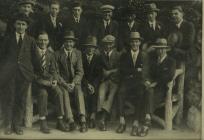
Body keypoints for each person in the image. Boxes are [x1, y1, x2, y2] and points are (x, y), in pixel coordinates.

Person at [1, 13, 36, 135]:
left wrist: (31, 74)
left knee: (20, 100)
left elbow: (35, 59)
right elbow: (2, 57)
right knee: (9, 99)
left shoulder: (31, 40)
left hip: (24, 75)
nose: (20, 26)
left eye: (23, 24)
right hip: (9, 74)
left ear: (26, 26)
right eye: (18, 24)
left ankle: (17, 124)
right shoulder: (7, 39)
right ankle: (8, 125)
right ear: (15, 25)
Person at [32, 31, 70, 133]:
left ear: (48, 41)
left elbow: (53, 70)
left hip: (49, 82)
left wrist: (54, 80)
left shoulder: (51, 54)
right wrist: (43, 82)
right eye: (40, 40)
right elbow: (32, 73)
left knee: (59, 92)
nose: (43, 42)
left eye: (45, 40)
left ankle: (60, 120)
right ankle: (43, 121)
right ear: (37, 40)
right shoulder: (32, 53)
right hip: (37, 84)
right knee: (43, 93)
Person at [55, 30, 87, 133]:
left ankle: (82, 119)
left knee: (79, 90)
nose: (69, 44)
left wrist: (73, 83)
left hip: (74, 83)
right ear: (64, 42)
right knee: (64, 92)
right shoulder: (57, 54)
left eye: (71, 42)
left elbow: (80, 71)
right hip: (63, 83)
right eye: (67, 41)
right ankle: (70, 120)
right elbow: (56, 73)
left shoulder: (78, 53)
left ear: (74, 43)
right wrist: (65, 84)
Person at [116, 32, 147, 136]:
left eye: (137, 41)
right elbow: (122, 70)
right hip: (127, 81)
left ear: (140, 43)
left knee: (140, 94)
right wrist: (136, 70)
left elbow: (144, 72)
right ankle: (122, 121)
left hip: (139, 82)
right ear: (130, 43)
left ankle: (135, 123)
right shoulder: (124, 55)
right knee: (120, 92)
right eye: (133, 41)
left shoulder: (144, 55)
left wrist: (132, 72)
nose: (135, 44)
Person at [144, 38, 176, 136]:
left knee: (149, 93)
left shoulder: (171, 61)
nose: (160, 51)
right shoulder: (153, 61)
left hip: (162, 89)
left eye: (163, 49)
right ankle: (147, 118)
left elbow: (169, 76)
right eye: (158, 49)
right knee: (147, 91)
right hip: (151, 87)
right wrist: (148, 81)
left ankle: (146, 118)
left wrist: (156, 83)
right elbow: (148, 73)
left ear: (166, 49)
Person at [97, 35, 120, 131]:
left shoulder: (118, 55)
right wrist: (103, 72)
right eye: (106, 44)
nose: (108, 46)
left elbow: (120, 69)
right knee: (101, 94)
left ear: (113, 44)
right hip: (104, 80)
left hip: (114, 81)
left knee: (111, 95)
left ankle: (103, 119)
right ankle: (102, 116)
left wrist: (110, 72)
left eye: (110, 44)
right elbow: (99, 68)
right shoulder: (100, 55)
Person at [82, 36, 102, 128]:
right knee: (84, 93)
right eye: (88, 47)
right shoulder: (81, 57)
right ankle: (85, 116)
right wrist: (87, 84)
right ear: (85, 48)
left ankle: (93, 116)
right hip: (84, 82)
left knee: (95, 92)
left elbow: (99, 75)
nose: (90, 49)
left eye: (93, 47)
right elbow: (80, 73)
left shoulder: (98, 58)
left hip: (94, 83)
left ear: (95, 49)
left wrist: (93, 85)